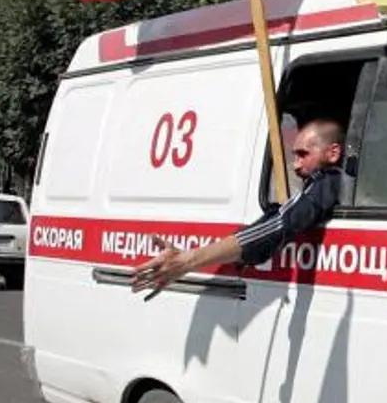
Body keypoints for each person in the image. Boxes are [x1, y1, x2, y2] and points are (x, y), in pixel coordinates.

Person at [131, 118, 347, 295]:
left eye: (303, 154)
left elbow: (282, 222)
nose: (295, 163)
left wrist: (190, 260)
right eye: (294, 155)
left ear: (333, 153)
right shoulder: (323, 184)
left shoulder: (328, 180)